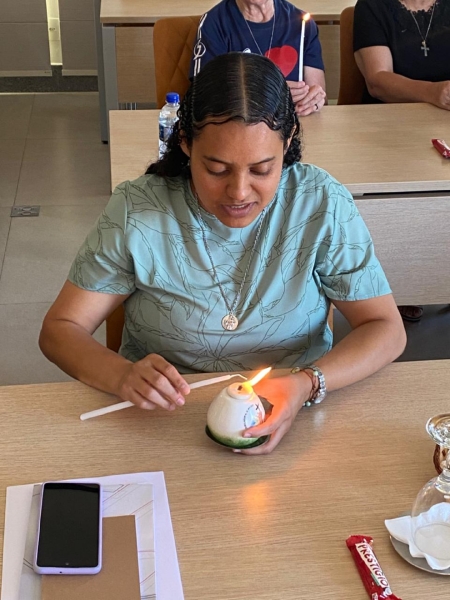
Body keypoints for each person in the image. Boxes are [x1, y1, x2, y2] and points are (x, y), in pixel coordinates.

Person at [39, 53, 406, 455]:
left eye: (262, 169)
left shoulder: (319, 203)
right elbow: (60, 330)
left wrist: (307, 383)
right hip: (160, 422)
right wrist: (121, 375)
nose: (239, 192)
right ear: (185, 143)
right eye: (216, 169)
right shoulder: (139, 211)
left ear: (287, 142)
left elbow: (386, 328)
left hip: (296, 416)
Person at [353, 0, 450, 322]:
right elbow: (378, 81)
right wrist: (434, 93)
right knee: (401, 198)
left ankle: (439, 278)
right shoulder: (371, 7)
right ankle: (403, 282)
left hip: (445, 124)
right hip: (386, 131)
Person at [190, 0, 327, 117]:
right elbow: (202, 97)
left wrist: (314, 101)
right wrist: (265, 97)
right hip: (240, 128)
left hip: (295, 127)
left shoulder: (302, 24)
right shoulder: (214, 23)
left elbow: (317, 92)